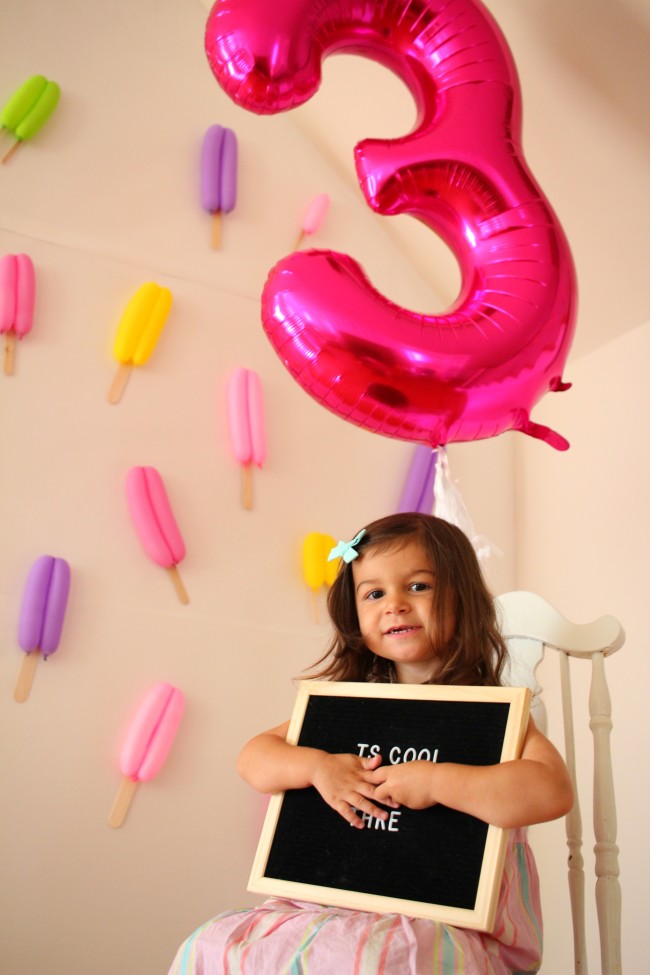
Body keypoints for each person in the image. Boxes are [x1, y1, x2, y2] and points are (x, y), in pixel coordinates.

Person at [169, 513, 573, 975]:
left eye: (418, 586)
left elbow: (550, 790)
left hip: (450, 923)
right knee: (212, 942)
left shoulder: (490, 714)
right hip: (337, 906)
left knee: (381, 959)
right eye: (375, 593)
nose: (395, 604)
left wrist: (439, 781)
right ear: (355, 614)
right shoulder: (347, 707)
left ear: (462, 596)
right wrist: (318, 766)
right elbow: (253, 760)